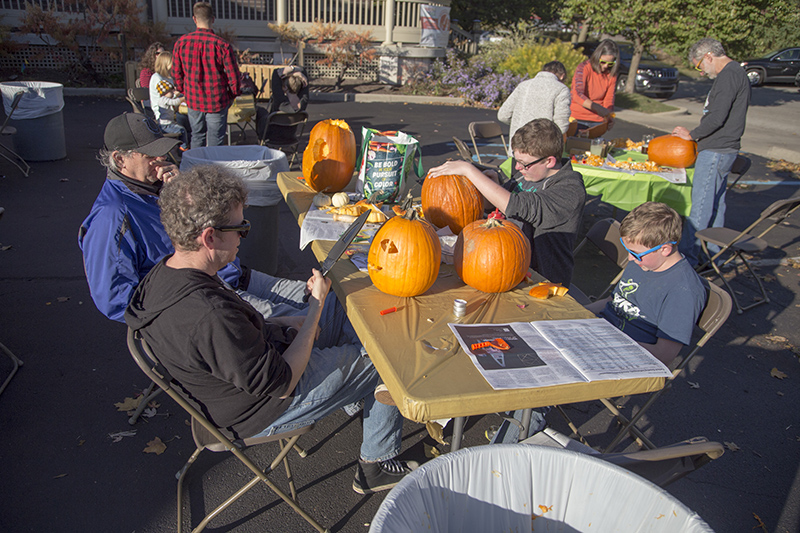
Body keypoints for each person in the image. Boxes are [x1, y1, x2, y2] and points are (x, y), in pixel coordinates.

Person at [123, 165, 416, 494]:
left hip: (251, 371)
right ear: (209, 237)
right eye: (240, 228)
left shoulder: (168, 273)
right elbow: (282, 382)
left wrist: (282, 323)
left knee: (344, 304)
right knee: (385, 358)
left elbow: (230, 341)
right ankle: (375, 465)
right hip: (261, 407)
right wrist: (314, 308)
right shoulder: (208, 315)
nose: (243, 236)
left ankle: (357, 394)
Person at [78, 113, 307, 323]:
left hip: (230, 275)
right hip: (204, 297)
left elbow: (214, 227)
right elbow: (116, 301)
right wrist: (187, 314)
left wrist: (186, 191)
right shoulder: (111, 217)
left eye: (161, 150)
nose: (161, 158)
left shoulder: (158, 186)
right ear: (120, 160)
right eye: (150, 155)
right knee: (308, 323)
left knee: (315, 297)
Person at [428, 118, 586, 287]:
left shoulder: (570, 190)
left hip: (542, 280)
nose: (517, 167)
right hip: (507, 266)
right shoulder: (527, 175)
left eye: (524, 164)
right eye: (516, 161)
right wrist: (494, 186)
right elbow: (498, 206)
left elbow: (520, 207)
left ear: (549, 161)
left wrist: (469, 171)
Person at [586, 202, 708, 366]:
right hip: (599, 334)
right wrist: (577, 313)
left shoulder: (683, 291)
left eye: (635, 254)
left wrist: (608, 343)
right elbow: (612, 301)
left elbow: (663, 355)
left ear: (664, 249)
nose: (630, 258)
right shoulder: (643, 262)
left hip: (627, 356)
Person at [671, 38, 750, 266]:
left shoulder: (728, 75)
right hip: (724, 149)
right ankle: (711, 256)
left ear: (708, 56)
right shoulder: (735, 73)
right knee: (715, 205)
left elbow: (717, 117)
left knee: (701, 207)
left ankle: (688, 258)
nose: (701, 72)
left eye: (700, 65)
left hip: (716, 149)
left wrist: (692, 135)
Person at [172, 1, 241, 148]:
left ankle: (196, 163)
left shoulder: (182, 43)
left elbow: (176, 73)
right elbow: (234, 77)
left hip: (194, 99)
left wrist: (184, 91)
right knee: (215, 140)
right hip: (216, 100)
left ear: (194, 19)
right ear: (213, 19)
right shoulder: (222, 46)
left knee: (197, 136)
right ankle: (212, 163)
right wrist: (232, 95)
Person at [498, 61, 571, 139]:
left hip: (518, 140)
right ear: (562, 76)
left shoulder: (523, 86)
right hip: (544, 141)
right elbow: (561, 125)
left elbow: (503, 115)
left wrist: (519, 124)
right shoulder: (561, 89)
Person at [570, 39, 619, 131]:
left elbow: (609, 99)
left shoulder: (611, 74)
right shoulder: (584, 67)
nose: (606, 66)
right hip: (578, 118)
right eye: (603, 62)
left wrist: (609, 116)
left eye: (610, 64)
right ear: (597, 57)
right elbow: (577, 94)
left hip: (598, 121)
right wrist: (597, 108)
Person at [148, 51, 190, 150]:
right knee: (184, 120)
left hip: (170, 109)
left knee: (189, 118)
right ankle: (183, 146)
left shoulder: (168, 78)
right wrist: (180, 96)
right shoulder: (157, 78)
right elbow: (167, 98)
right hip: (162, 112)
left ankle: (185, 144)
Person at [259, 65, 310, 144]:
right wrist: (299, 74)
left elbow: (276, 73)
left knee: (260, 111)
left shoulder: (281, 102)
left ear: (285, 87)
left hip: (271, 137)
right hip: (290, 138)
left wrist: (293, 69)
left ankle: (260, 140)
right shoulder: (303, 102)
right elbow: (305, 82)